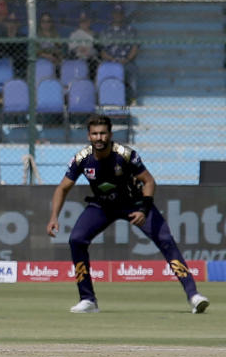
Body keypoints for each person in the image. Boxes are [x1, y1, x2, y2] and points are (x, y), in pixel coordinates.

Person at [46, 115, 211, 315]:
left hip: (133, 203)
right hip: (102, 206)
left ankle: (194, 296)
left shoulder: (125, 155)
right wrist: (54, 216)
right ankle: (88, 300)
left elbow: (149, 182)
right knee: (77, 240)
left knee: (165, 239)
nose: (99, 138)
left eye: (103, 133)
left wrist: (143, 209)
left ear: (110, 135)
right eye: (95, 134)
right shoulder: (81, 158)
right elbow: (62, 188)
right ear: (89, 136)